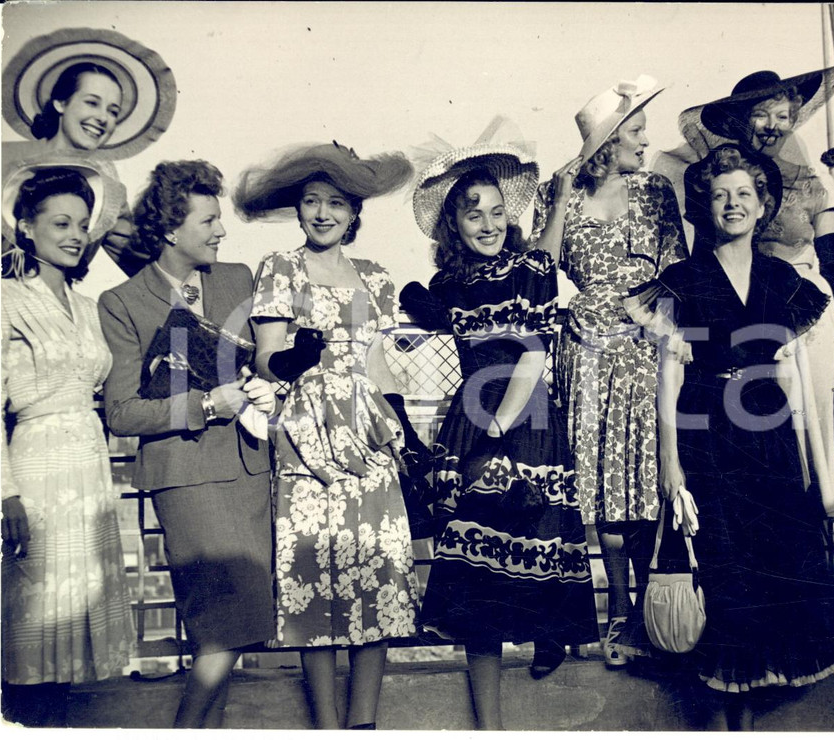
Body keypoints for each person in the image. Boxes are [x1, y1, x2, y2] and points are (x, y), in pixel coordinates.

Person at [649, 144, 834, 730]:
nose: (733, 204)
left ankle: (753, 713)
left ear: (763, 205)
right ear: (706, 206)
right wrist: (670, 461)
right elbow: (669, 374)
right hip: (707, 433)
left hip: (770, 435)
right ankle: (726, 721)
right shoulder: (684, 280)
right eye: (720, 195)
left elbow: (792, 375)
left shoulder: (782, 279)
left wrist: (804, 457)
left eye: (744, 193)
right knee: (724, 564)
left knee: (772, 563)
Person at [401, 118, 597, 730]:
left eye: (495, 212)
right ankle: (489, 726)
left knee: (534, 532)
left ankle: (548, 634)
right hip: (469, 420)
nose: (487, 224)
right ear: (454, 225)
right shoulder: (448, 284)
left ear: (508, 217)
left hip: (524, 418)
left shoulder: (531, 268)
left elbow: (534, 355)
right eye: (472, 215)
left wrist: (496, 430)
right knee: (471, 570)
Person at [234, 143, 419, 730]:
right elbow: (265, 359)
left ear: (354, 211)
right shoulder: (279, 268)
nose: (322, 213)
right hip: (306, 432)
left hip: (367, 434)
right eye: (312, 201)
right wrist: (296, 358)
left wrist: (403, 432)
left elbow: (380, 364)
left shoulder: (377, 276)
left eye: (336, 203)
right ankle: (326, 725)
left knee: (379, 574)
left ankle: (363, 724)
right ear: (297, 208)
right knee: (313, 579)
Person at [680, 67, 834, 630]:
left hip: (804, 318)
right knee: (755, 463)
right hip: (741, 332)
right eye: (759, 114)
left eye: (782, 115)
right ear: (739, 121)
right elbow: (702, 266)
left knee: (814, 455)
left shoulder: (811, 182)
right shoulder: (720, 182)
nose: (770, 124)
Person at [98, 160, 277, 728]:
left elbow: (269, 359)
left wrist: (266, 385)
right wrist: (205, 405)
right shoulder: (122, 302)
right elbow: (121, 412)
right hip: (187, 480)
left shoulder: (238, 279)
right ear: (171, 230)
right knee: (222, 626)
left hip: (249, 471)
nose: (222, 231)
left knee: (232, 629)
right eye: (208, 221)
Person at [529, 76, 689, 666]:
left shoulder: (655, 191)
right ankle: (618, 612)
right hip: (586, 351)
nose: (646, 142)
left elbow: (677, 270)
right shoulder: (559, 194)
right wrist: (559, 199)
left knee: (646, 482)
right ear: (607, 142)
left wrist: (665, 335)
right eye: (636, 132)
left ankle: (652, 611)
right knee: (601, 487)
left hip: (646, 346)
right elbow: (539, 270)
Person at [1, 163, 135, 728]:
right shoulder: (4, 298)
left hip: (89, 466)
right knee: (33, 614)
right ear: (25, 227)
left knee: (71, 619)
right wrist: (5, 494)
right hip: (36, 468)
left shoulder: (89, 307)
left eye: (83, 224)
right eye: (60, 223)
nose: (76, 235)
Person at [3, 27, 179, 276]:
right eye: (92, 102)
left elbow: (141, 264)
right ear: (60, 102)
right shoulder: (0, 157)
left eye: (113, 111)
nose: (102, 118)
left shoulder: (109, 187)